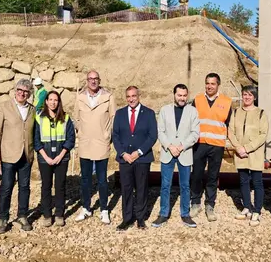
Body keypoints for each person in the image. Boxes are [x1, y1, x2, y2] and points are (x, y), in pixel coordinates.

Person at [0, 79, 36, 233]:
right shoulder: (4, 107)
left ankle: (23, 215)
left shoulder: (32, 110)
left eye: (25, 91)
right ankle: (3, 218)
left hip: (26, 155)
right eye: (19, 90)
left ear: (29, 94)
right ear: (15, 90)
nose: (22, 93)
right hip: (8, 155)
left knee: (24, 187)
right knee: (6, 187)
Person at [152, 84, 200, 228]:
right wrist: (170, 146)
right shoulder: (165, 110)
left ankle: (185, 214)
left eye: (185, 95)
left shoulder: (192, 111)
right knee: (165, 185)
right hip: (168, 152)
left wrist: (181, 146)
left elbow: (195, 133)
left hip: (184, 152)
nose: (182, 98)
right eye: (179, 95)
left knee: (185, 186)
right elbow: (160, 131)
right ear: (174, 95)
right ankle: (163, 213)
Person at [72, 70, 116, 224]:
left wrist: (107, 135)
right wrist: (82, 132)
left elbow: (113, 118)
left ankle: (104, 209)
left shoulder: (108, 97)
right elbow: (76, 118)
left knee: (102, 179)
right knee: (85, 179)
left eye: (96, 78)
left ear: (99, 80)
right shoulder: (80, 97)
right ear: (86, 80)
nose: (93, 81)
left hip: (101, 143)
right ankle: (86, 208)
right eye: (90, 79)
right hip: (85, 143)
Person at [113, 86, 157, 230]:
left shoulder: (149, 114)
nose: (131, 99)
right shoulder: (119, 114)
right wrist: (123, 153)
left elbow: (152, 136)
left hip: (142, 158)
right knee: (126, 189)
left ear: (139, 96)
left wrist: (139, 152)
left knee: (141, 188)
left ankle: (140, 218)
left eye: (134, 96)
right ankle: (127, 218)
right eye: (128, 96)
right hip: (125, 159)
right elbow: (116, 136)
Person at [190, 73, 232, 222]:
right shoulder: (197, 100)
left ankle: (210, 205)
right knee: (196, 174)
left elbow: (228, 124)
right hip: (199, 143)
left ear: (218, 85)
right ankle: (195, 202)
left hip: (217, 145)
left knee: (213, 176)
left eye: (212, 84)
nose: (209, 86)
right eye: (207, 83)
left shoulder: (227, 102)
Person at [34, 90, 76, 227]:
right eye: (50, 99)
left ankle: (59, 214)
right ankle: (47, 215)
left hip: (61, 158)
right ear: (46, 101)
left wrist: (60, 155)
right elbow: (36, 141)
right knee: (46, 186)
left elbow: (70, 139)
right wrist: (46, 157)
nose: (53, 102)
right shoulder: (39, 118)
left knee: (60, 186)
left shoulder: (66, 118)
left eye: (56, 100)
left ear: (59, 102)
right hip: (44, 158)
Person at [230, 85, 269, 226]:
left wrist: (247, 148)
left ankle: (257, 210)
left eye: (250, 95)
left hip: (254, 154)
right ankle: (247, 206)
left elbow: (263, 134)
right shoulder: (236, 113)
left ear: (254, 97)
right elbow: (230, 131)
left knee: (257, 182)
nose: (247, 97)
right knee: (243, 180)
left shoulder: (261, 113)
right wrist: (238, 147)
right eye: (245, 94)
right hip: (240, 153)